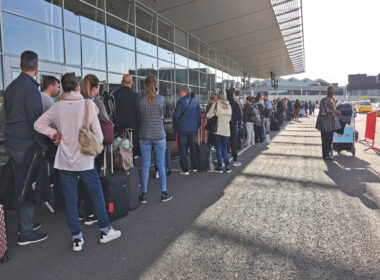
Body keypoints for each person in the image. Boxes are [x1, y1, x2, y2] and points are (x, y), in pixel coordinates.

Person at [34, 73, 121, 252]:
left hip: (64, 161)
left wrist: (54, 134)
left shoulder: (57, 107)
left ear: (63, 89)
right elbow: (99, 136)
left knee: (71, 200)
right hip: (86, 162)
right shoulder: (88, 105)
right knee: (96, 195)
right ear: (78, 87)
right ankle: (105, 231)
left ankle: (77, 239)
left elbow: (38, 125)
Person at [4, 50, 48, 245]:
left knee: (20, 184)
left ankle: (26, 223)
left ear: (21, 66)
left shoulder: (10, 88)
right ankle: (26, 232)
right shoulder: (31, 90)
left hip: (12, 144)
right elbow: (36, 121)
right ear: (36, 68)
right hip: (27, 145)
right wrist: (44, 145)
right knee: (28, 186)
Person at [78, 74, 113, 225]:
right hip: (94, 145)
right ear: (94, 88)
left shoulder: (78, 101)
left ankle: (81, 210)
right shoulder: (96, 102)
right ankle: (91, 213)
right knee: (94, 179)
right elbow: (106, 119)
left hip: (80, 144)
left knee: (83, 178)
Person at [137, 76, 172, 203]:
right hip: (159, 135)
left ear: (145, 85)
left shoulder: (140, 100)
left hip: (144, 135)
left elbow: (139, 117)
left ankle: (144, 195)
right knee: (161, 165)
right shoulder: (161, 99)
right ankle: (164, 193)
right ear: (156, 85)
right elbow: (163, 115)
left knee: (145, 166)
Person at [173, 85, 201, 175]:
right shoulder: (196, 102)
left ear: (184, 92)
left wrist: (177, 124)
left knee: (183, 149)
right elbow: (198, 117)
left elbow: (176, 115)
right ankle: (194, 166)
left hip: (183, 128)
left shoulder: (181, 102)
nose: (179, 93)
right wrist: (197, 126)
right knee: (192, 147)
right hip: (193, 129)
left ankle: (185, 169)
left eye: (180, 91)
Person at [113, 74, 139, 157]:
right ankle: (131, 167)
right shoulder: (136, 96)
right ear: (132, 83)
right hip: (132, 129)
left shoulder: (114, 95)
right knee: (131, 154)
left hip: (118, 129)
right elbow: (138, 113)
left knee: (118, 154)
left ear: (121, 82)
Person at [207, 93, 232, 173]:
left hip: (218, 129)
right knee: (225, 149)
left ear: (217, 98)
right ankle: (228, 167)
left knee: (219, 148)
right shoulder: (228, 105)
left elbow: (209, 115)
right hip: (226, 130)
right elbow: (230, 118)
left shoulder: (216, 104)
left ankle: (220, 167)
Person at [316, 86, 341, 160]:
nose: (332, 93)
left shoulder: (333, 99)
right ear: (327, 92)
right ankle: (325, 155)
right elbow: (324, 110)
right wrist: (335, 111)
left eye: (333, 91)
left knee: (330, 139)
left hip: (331, 123)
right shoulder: (324, 100)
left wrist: (337, 112)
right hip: (325, 123)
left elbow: (333, 108)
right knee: (325, 139)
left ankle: (328, 153)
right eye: (331, 91)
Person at [227, 89, 242, 166]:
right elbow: (240, 116)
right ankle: (234, 160)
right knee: (233, 142)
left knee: (225, 142)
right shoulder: (235, 104)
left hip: (225, 125)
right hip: (233, 125)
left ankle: (225, 160)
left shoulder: (225, 104)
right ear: (233, 94)